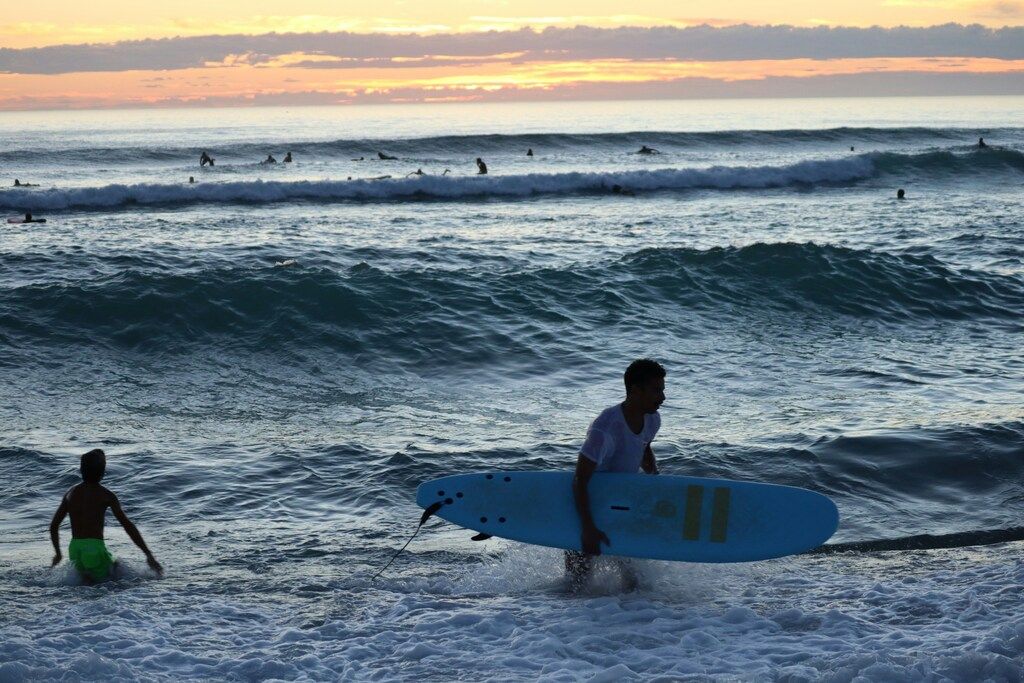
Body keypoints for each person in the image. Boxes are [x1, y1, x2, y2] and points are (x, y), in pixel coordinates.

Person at [567, 359, 665, 591]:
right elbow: (580, 479)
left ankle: (627, 614)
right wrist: (587, 528)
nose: (662, 397)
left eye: (662, 390)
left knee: (633, 584)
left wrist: (655, 479)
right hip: (589, 504)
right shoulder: (605, 428)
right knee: (577, 586)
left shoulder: (652, 418)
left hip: (621, 505)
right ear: (635, 390)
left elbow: (643, 447)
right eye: (656, 390)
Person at [49, 449, 162, 583]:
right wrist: (148, 554)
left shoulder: (71, 493)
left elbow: (54, 526)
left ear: (81, 470)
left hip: (74, 548)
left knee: (86, 582)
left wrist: (58, 553)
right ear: (103, 473)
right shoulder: (106, 495)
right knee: (116, 570)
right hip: (95, 549)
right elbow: (127, 525)